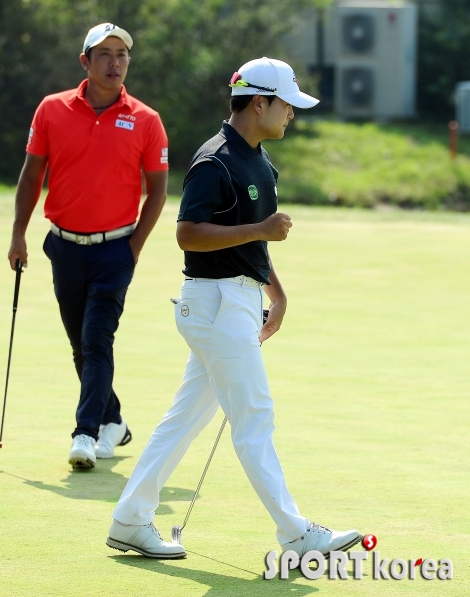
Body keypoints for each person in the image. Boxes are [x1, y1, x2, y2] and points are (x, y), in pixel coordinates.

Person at [106, 57, 362, 559]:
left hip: (235, 301)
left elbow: (252, 246)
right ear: (259, 102)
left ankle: (129, 520)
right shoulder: (215, 160)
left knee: (182, 422)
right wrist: (260, 232)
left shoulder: (260, 162)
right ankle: (295, 532)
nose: (291, 113)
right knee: (255, 417)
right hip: (215, 304)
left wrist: (277, 292)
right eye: (286, 103)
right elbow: (187, 234)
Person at [7, 23, 169, 469]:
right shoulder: (52, 109)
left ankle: (86, 431)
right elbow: (31, 175)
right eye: (104, 54)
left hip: (115, 250)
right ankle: (114, 420)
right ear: (85, 62)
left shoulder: (145, 119)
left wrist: (133, 248)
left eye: (122, 54)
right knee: (81, 345)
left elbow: (158, 191)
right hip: (63, 247)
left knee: (97, 340)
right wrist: (19, 232)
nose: (115, 62)